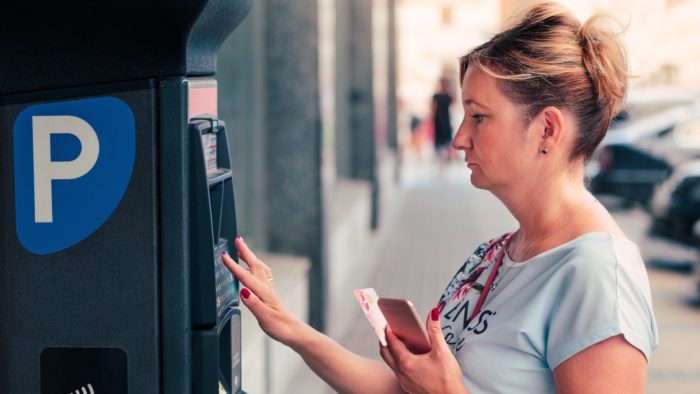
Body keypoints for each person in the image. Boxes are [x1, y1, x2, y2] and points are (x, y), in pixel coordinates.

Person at [222, 3, 658, 393]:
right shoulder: (497, 253)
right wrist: (290, 327)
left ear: (547, 129)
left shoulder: (599, 277)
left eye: (479, 117)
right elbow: (398, 388)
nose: (458, 139)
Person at [431, 77, 454, 172]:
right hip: (439, 121)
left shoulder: (448, 96)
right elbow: (432, 108)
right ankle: (441, 164)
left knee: (445, 143)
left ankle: (444, 163)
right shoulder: (436, 96)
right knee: (439, 144)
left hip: (445, 121)